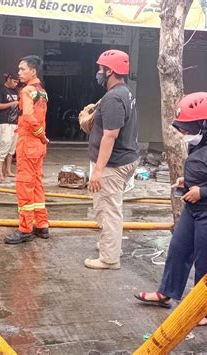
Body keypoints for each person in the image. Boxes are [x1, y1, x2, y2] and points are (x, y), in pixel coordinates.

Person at [135, 92, 207, 327]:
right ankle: (166, 293)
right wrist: (187, 183)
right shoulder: (204, 140)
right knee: (178, 250)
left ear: (205, 124)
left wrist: (203, 192)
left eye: (187, 129)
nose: (184, 134)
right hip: (195, 207)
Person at [85, 49, 139, 270]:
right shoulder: (124, 92)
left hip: (113, 164)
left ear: (110, 71)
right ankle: (111, 245)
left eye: (101, 68)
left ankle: (109, 258)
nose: (98, 72)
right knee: (108, 207)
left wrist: (98, 170)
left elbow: (110, 135)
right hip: (124, 159)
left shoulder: (114, 98)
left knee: (108, 209)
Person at [4, 55, 50, 244]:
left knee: (24, 186)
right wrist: (42, 137)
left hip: (29, 143)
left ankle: (25, 229)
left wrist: (40, 134)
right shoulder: (42, 91)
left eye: (23, 69)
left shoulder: (27, 91)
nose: (19, 72)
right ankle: (41, 225)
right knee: (37, 184)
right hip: (38, 147)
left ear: (33, 71)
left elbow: (30, 117)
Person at [0, 73, 19, 182]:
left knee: (11, 150)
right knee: (3, 147)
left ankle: (8, 171)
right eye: (14, 81)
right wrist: (13, 103)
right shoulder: (0, 90)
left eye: (18, 82)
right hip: (4, 123)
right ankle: (0, 173)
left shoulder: (16, 91)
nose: (16, 84)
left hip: (15, 123)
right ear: (8, 79)